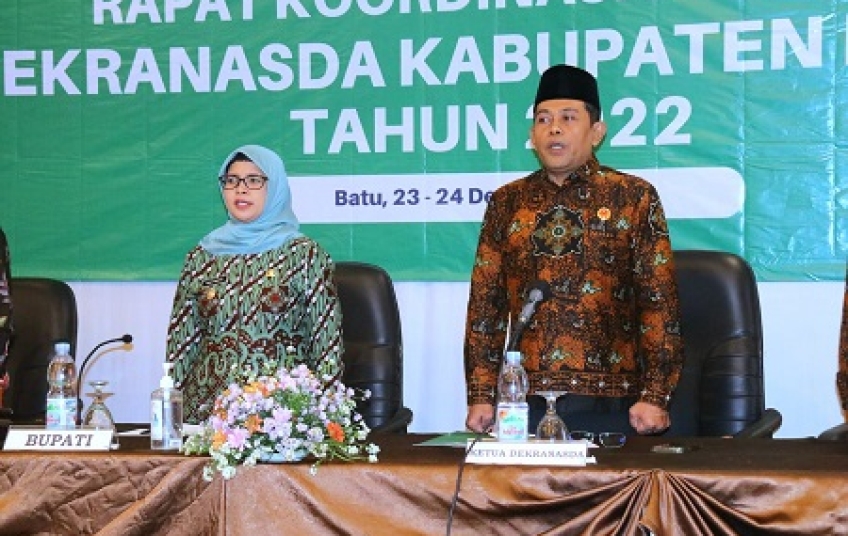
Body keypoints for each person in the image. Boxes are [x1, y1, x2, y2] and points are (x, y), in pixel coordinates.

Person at [464, 65, 684, 437]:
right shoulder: (507, 203)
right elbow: (486, 306)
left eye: (568, 118)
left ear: (597, 131)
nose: (554, 128)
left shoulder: (633, 197)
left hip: (613, 405)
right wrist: (482, 394)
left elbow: (659, 303)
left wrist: (655, 395)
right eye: (543, 119)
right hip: (523, 403)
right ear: (532, 136)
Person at [166, 145, 344, 423]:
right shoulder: (202, 256)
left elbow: (327, 344)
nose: (241, 189)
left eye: (253, 180)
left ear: (274, 188)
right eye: (232, 181)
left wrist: (324, 420)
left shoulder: (304, 255)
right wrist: (170, 419)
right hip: (205, 415)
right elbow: (181, 344)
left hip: (280, 416)